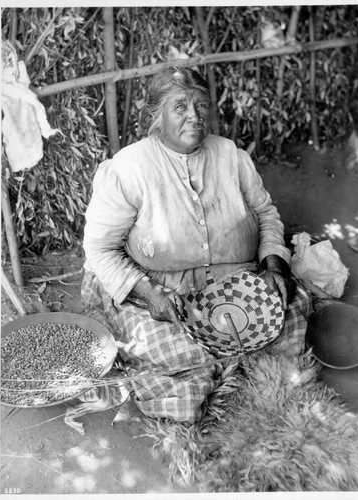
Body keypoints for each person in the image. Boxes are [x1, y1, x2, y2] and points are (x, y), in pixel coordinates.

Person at [81, 65, 312, 423]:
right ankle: (222, 369)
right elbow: (100, 250)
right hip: (167, 294)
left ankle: (226, 366)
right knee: (170, 348)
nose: (195, 116)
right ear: (156, 117)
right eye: (180, 107)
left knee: (291, 308)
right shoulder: (128, 169)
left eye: (202, 105)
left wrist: (272, 265)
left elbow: (266, 214)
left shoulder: (231, 156)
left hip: (239, 289)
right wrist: (150, 294)